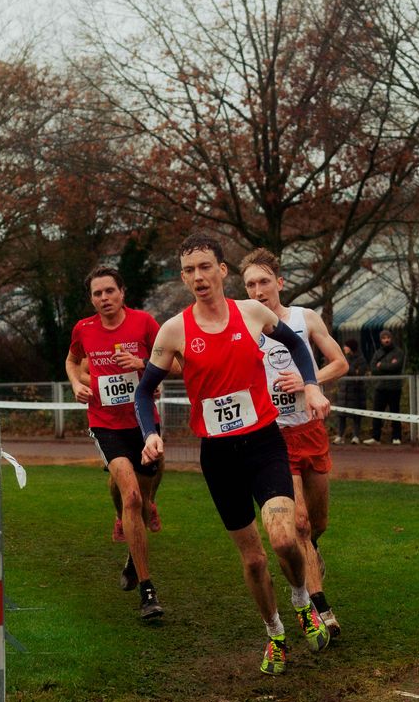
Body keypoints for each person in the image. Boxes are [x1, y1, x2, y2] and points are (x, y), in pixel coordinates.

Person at [134, 231, 331, 674]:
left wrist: (313, 386)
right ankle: (275, 632)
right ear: (183, 278)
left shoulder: (253, 312)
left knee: (283, 537)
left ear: (223, 270)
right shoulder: (174, 330)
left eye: (206, 267)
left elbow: (297, 346)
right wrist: (149, 433)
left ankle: (302, 599)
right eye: (189, 270)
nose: (198, 277)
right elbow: (145, 393)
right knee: (255, 558)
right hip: (219, 457)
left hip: (264, 443)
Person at [241, 250, 348, 641]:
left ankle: (310, 556)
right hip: (273, 438)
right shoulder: (244, 328)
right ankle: (322, 610)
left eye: (263, 282)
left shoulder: (304, 319)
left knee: (317, 524)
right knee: (298, 523)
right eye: (250, 284)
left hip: (311, 431)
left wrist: (308, 382)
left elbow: (339, 362)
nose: (257, 290)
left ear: (279, 284)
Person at [66, 266, 165, 623]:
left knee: (144, 493)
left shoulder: (144, 323)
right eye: (97, 294)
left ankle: (134, 534)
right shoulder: (84, 328)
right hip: (105, 422)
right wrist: (76, 382)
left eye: (110, 291)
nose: (104, 298)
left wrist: (144, 366)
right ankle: (148, 592)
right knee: (131, 496)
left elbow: (171, 360)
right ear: (91, 299)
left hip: (143, 420)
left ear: (122, 292)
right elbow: (72, 359)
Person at [367, 329, 405, 444]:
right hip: (380, 387)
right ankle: (375, 437)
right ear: (381, 340)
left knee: (395, 412)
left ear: (391, 338)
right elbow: (373, 368)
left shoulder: (398, 352)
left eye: (388, 337)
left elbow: (396, 367)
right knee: (377, 412)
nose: (386, 340)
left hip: (394, 387)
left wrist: (381, 365)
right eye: (383, 338)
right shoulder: (378, 353)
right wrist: (387, 366)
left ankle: (396, 437)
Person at [333, 337, 368, 444]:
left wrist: (348, 368)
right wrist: (350, 369)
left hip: (356, 392)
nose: (344, 348)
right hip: (344, 392)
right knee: (341, 416)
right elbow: (340, 370)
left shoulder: (361, 359)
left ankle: (356, 436)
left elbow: (358, 373)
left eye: (346, 346)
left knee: (356, 416)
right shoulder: (344, 358)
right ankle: (339, 436)